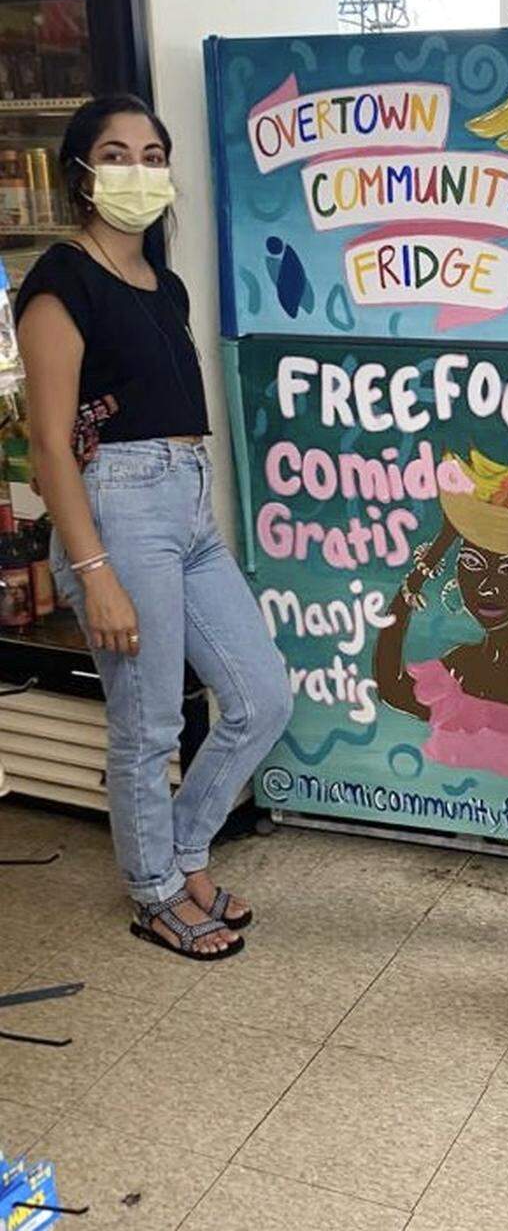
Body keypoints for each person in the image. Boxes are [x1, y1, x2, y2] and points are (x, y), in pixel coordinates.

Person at [15, 95, 293, 962]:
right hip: (120, 506)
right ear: (82, 176)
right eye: (118, 153)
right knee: (148, 724)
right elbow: (49, 445)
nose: (140, 170)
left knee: (259, 696)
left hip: (188, 498)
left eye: (153, 153)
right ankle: (154, 892)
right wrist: (93, 570)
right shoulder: (60, 281)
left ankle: (178, 854)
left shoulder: (159, 282)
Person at [373, 448, 508, 781]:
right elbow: (391, 687)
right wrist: (433, 555)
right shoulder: (461, 664)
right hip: (440, 814)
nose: (488, 588)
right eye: (472, 565)